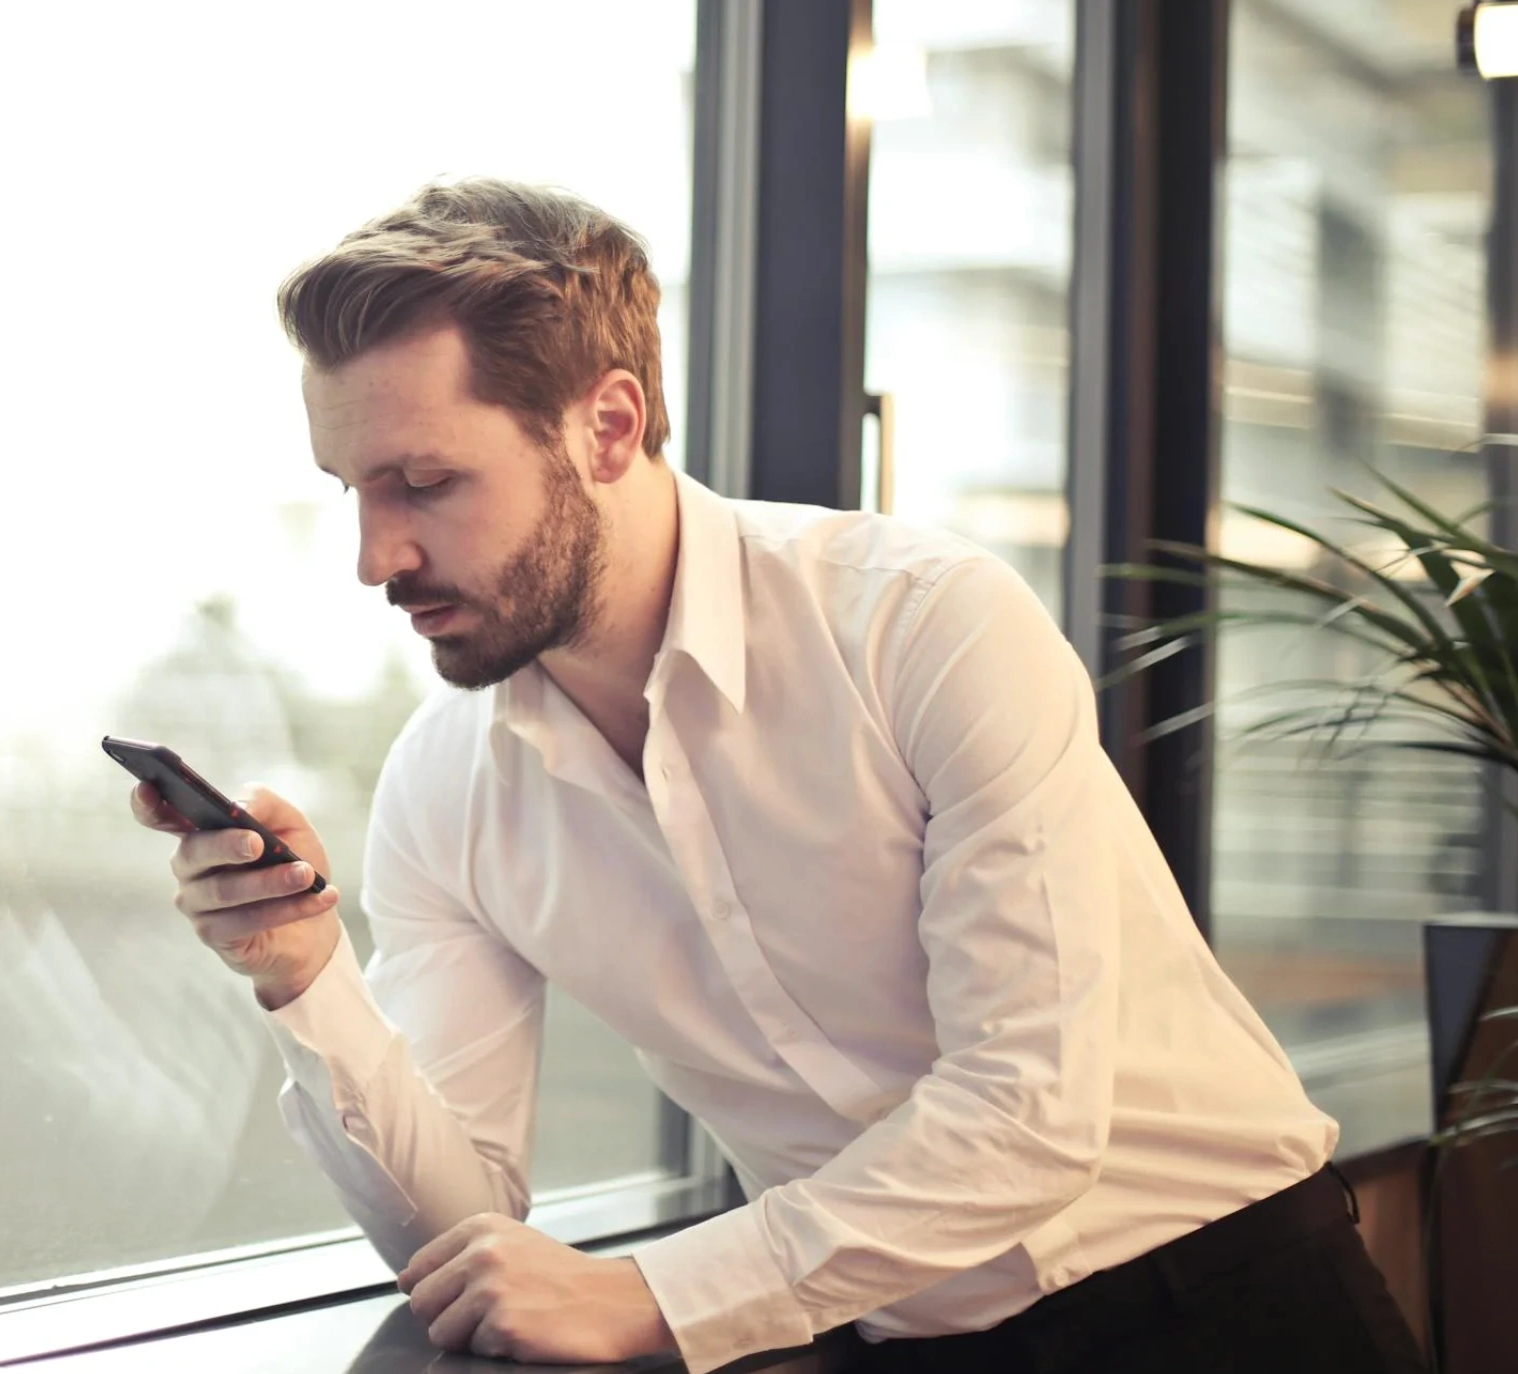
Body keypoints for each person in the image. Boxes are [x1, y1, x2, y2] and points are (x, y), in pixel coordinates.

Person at [128, 179, 1425, 1374]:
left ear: (609, 424)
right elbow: (467, 1243)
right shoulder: (444, 792)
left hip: (1228, 1300)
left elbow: (1026, 1113)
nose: (373, 555)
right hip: (890, 1342)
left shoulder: (925, 624)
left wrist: (656, 1291)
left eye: (424, 481)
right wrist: (308, 982)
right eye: (353, 487)